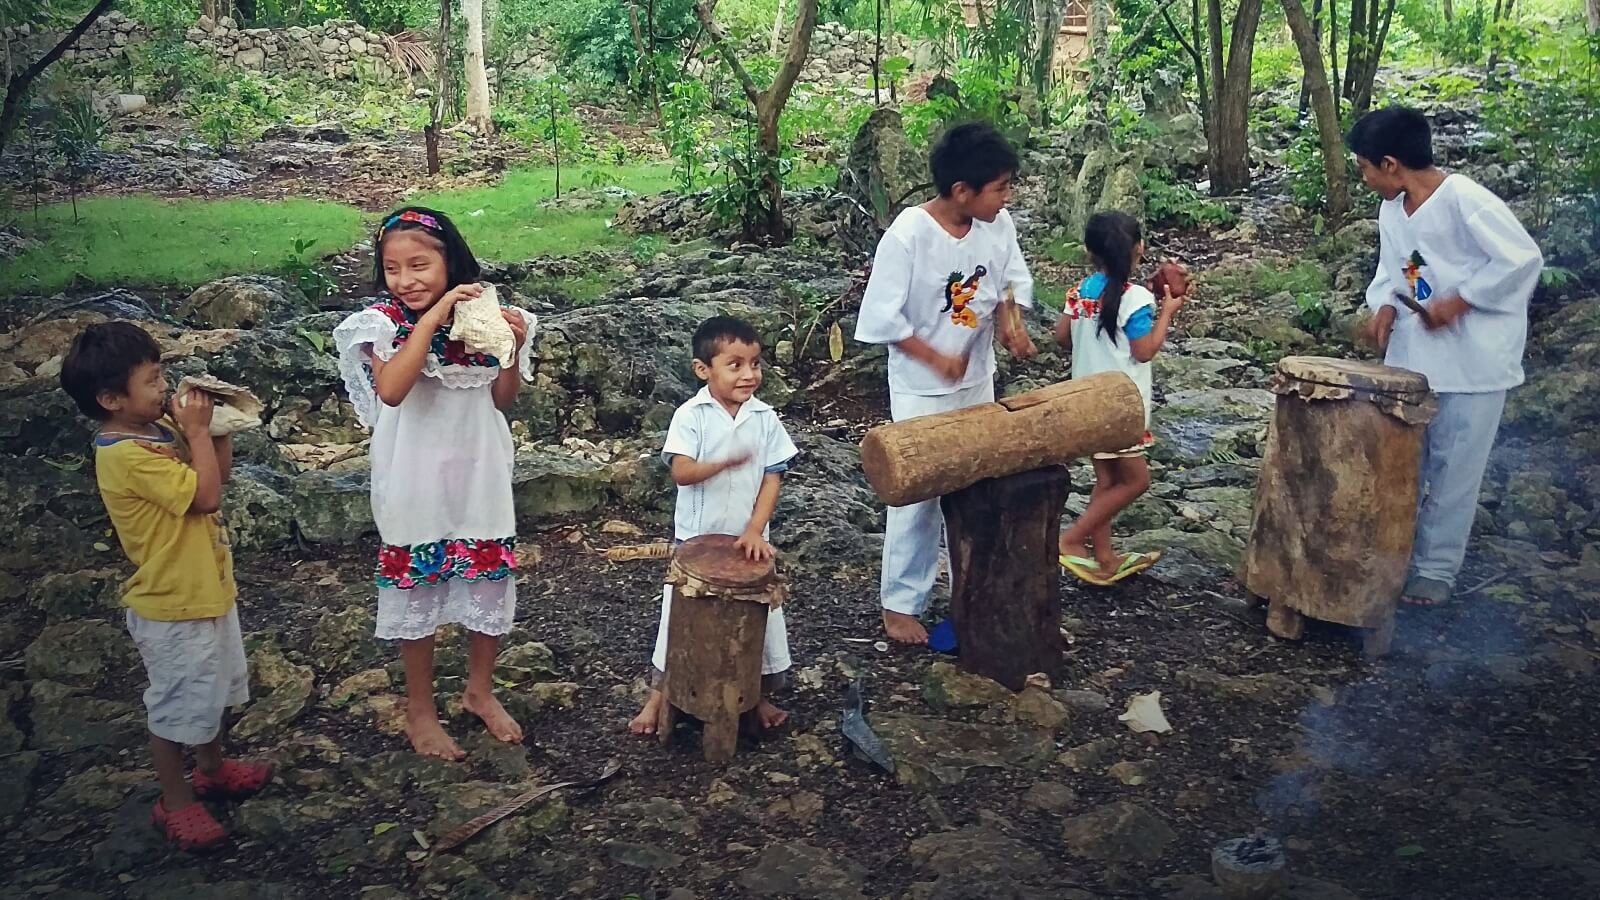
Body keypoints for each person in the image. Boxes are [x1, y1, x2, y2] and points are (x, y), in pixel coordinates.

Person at [332, 207, 537, 760]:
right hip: (414, 472)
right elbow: (393, 391)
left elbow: (501, 398)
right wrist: (430, 320)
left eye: (419, 265)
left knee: (487, 573)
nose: (406, 280)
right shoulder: (382, 322)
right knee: (416, 582)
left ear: (451, 262)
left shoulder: (487, 312)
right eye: (392, 268)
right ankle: (420, 709)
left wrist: (511, 351)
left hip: (479, 465)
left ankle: (479, 690)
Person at [60, 322, 272, 850]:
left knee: (213, 690)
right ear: (111, 399)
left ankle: (212, 769)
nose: (164, 388)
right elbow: (205, 499)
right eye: (152, 380)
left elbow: (216, 477)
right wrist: (196, 435)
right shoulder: (124, 455)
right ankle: (174, 801)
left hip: (206, 589)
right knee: (177, 707)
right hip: (172, 603)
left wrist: (216, 430)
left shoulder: (157, 430)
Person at [854, 121, 1039, 645]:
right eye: (999, 188)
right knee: (917, 495)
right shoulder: (910, 235)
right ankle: (900, 603)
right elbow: (882, 319)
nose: (1007, 198)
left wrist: (1010, 323)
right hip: (921, 388)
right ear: (962, 191)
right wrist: (936, 359)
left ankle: (971, 592)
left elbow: (1009, 283)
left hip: (977, 380)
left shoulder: (997, 225)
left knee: (976, 488)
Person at [1349, 107, 1542, 607]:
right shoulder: (1394, 212)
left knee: (1455, 471)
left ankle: (1435, 570)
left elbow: (1521, 260)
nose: (1364, 178)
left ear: (1391, 164)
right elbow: (1399, 270)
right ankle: (1392, 557)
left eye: (1365, 167)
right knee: (1402, 465)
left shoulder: (1464, 200)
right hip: (1415, 360)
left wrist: (1459, 303)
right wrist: (1386, 307)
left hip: (1474, 363)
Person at [629, 316, 799, 736]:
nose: (749, 374)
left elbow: (772, 478)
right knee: (679, 618)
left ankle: (755, 695)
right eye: (735, 365)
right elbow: (681, 472)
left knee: (756, 617)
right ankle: (659, 697)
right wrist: (721, 463)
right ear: (703, 369)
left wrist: (756, 530)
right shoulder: (692, 415)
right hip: (697, 540)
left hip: (747, 540)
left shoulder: (764, 417)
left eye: (755, 364)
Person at [1052, 211, 1184, 584]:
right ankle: (1072, 538)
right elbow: (1144, 351)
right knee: (1136, 481)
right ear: (1138, 249)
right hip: (1121, 408)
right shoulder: (1136, 298)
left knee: (1107, 481)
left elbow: (1061, 337)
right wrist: (1167, 314)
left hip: (1086, 401)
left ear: (1089, 252)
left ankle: (1105, 557)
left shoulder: (1080, 291)